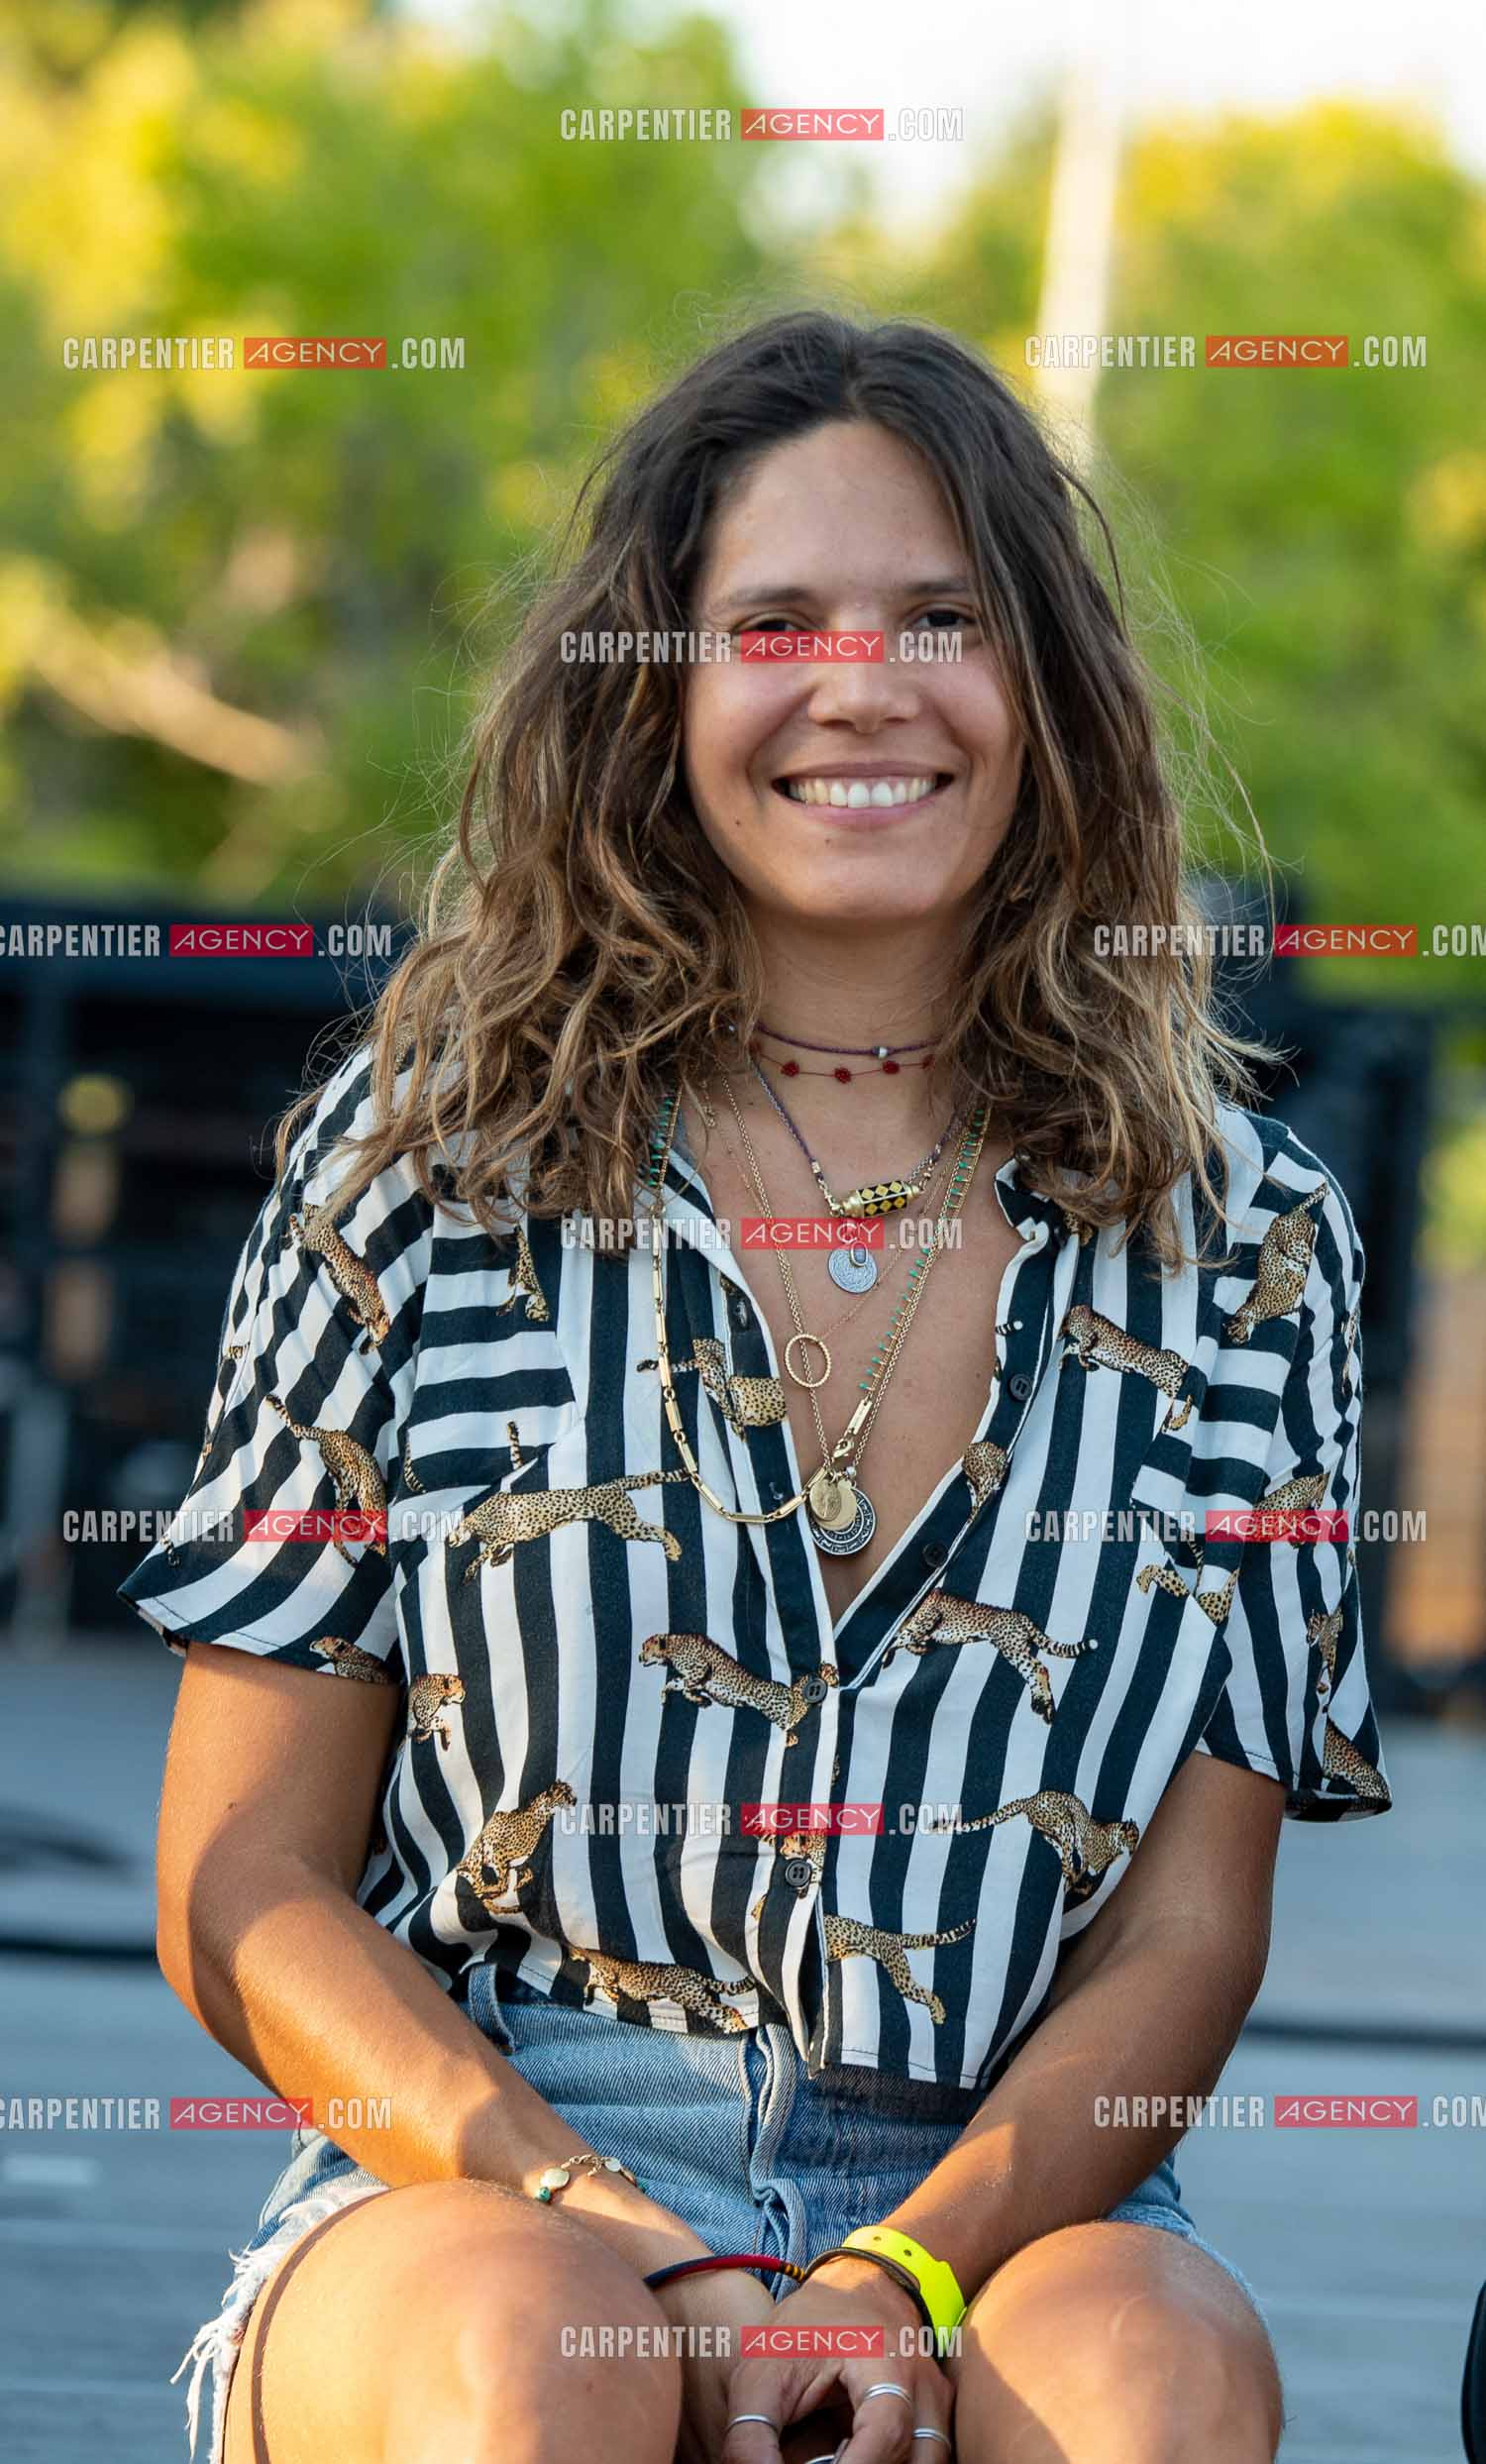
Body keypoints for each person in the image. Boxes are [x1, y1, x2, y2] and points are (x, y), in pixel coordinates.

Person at [122, 308, 1391, 2464]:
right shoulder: (421, 1171)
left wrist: (898, 2275)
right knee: (544, 2364)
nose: (862, 684)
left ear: (1049, 692)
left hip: (1005, 2193)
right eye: (776, 622)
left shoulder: (1251, 1246)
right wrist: (630, 2242)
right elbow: (239, 1877)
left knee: (1154, 2386)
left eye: (943, 620)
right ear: (657, 691)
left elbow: (1186, 1933)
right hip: (495, 2162)